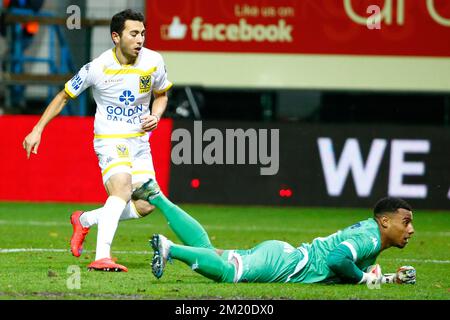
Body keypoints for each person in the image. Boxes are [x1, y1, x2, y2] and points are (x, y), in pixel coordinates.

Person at [22, 9, 173, 272]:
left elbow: (161, 95)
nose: (140, 39)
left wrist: (156, 116)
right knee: (122, 189)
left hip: (140, 141)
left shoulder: (154, 61)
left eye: (143, 34)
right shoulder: (97, 67)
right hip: (110, 138)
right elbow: (63, 97)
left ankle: (85, 220)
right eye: (134, 33)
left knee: (146, 203)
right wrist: (37, 129)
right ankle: (103, 256)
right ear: (116, 36)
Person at [131, 179, 417, 285]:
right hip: (287, 264)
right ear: (384, 222)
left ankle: (155, 195)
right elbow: (337, 260)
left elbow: (355, 269)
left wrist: (390, 279)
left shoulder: (370, 233)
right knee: (226, 273)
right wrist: (366, 279)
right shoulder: (369, 236)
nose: (411, 230)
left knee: (212, 252)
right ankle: (170, 248)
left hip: (284, 255)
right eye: (405, 222)